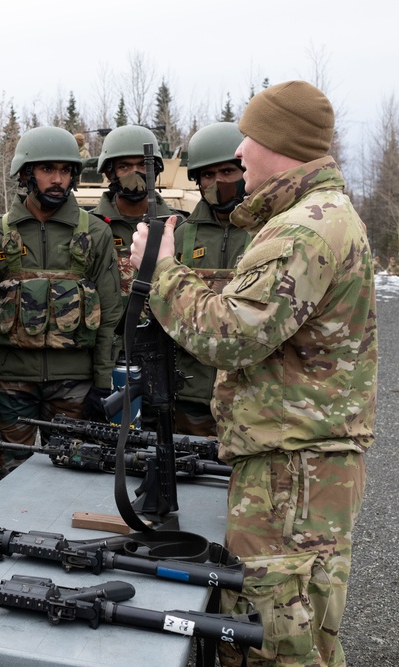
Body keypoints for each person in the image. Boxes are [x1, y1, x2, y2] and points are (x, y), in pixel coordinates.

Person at [130, 80, 376, 667]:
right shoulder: (315, 217)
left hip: (293, 471)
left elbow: (231, 335)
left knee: (279, 641)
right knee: (291, 626)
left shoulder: (302, 229)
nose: (239, 153)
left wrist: (161, 271)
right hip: (299, 462)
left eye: (250, 137)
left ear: (280, 143)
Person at [0, 126, 123, 485]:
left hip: (74, 385)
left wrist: (103, 383)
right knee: (8, 480)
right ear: (27, 173)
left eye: (65, 170)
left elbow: (109, 315)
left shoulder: (96, 233)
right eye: (47, 170)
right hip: (12, 383)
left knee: (73, 479)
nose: (58, 179)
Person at [170, 122, 251, 436]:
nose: (218, 182)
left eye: (229, 172)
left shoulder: (268, 232)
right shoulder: (181, 236)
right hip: (191, 394)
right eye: (208, 175)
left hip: (250, 398)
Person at [93, 125, 174, 302]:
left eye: (143, 165)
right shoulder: (92, 227)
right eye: (124, 166)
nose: (135, 173)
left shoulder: (176, 226)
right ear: (109, 172)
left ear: (155, 170)